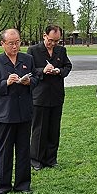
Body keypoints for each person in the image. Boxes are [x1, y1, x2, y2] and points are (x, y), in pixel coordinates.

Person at [0, 29, 34, 194]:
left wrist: (29, 82)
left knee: (23, 151)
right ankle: (2, 186)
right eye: (11, 43)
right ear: (2, 44)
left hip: (24, 112)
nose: (15, 46)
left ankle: (23, 185)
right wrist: (6, 83)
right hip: (4, 114)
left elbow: (37, 79)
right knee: (4, 152)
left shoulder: (28, 59)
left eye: (17, 42)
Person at [28, 24, 72, 170]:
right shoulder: (33, 50)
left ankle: (51, 159)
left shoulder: (61, 50)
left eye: (56, 41)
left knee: (54, 129)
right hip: (40, 96)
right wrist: (42, 70)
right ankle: (36, 160)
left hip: (56, 95)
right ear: (44, 36)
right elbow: (30, 70)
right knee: (39, 129)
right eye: (51, 40)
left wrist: (59, 71)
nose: (53, 43)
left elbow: (68, 66)